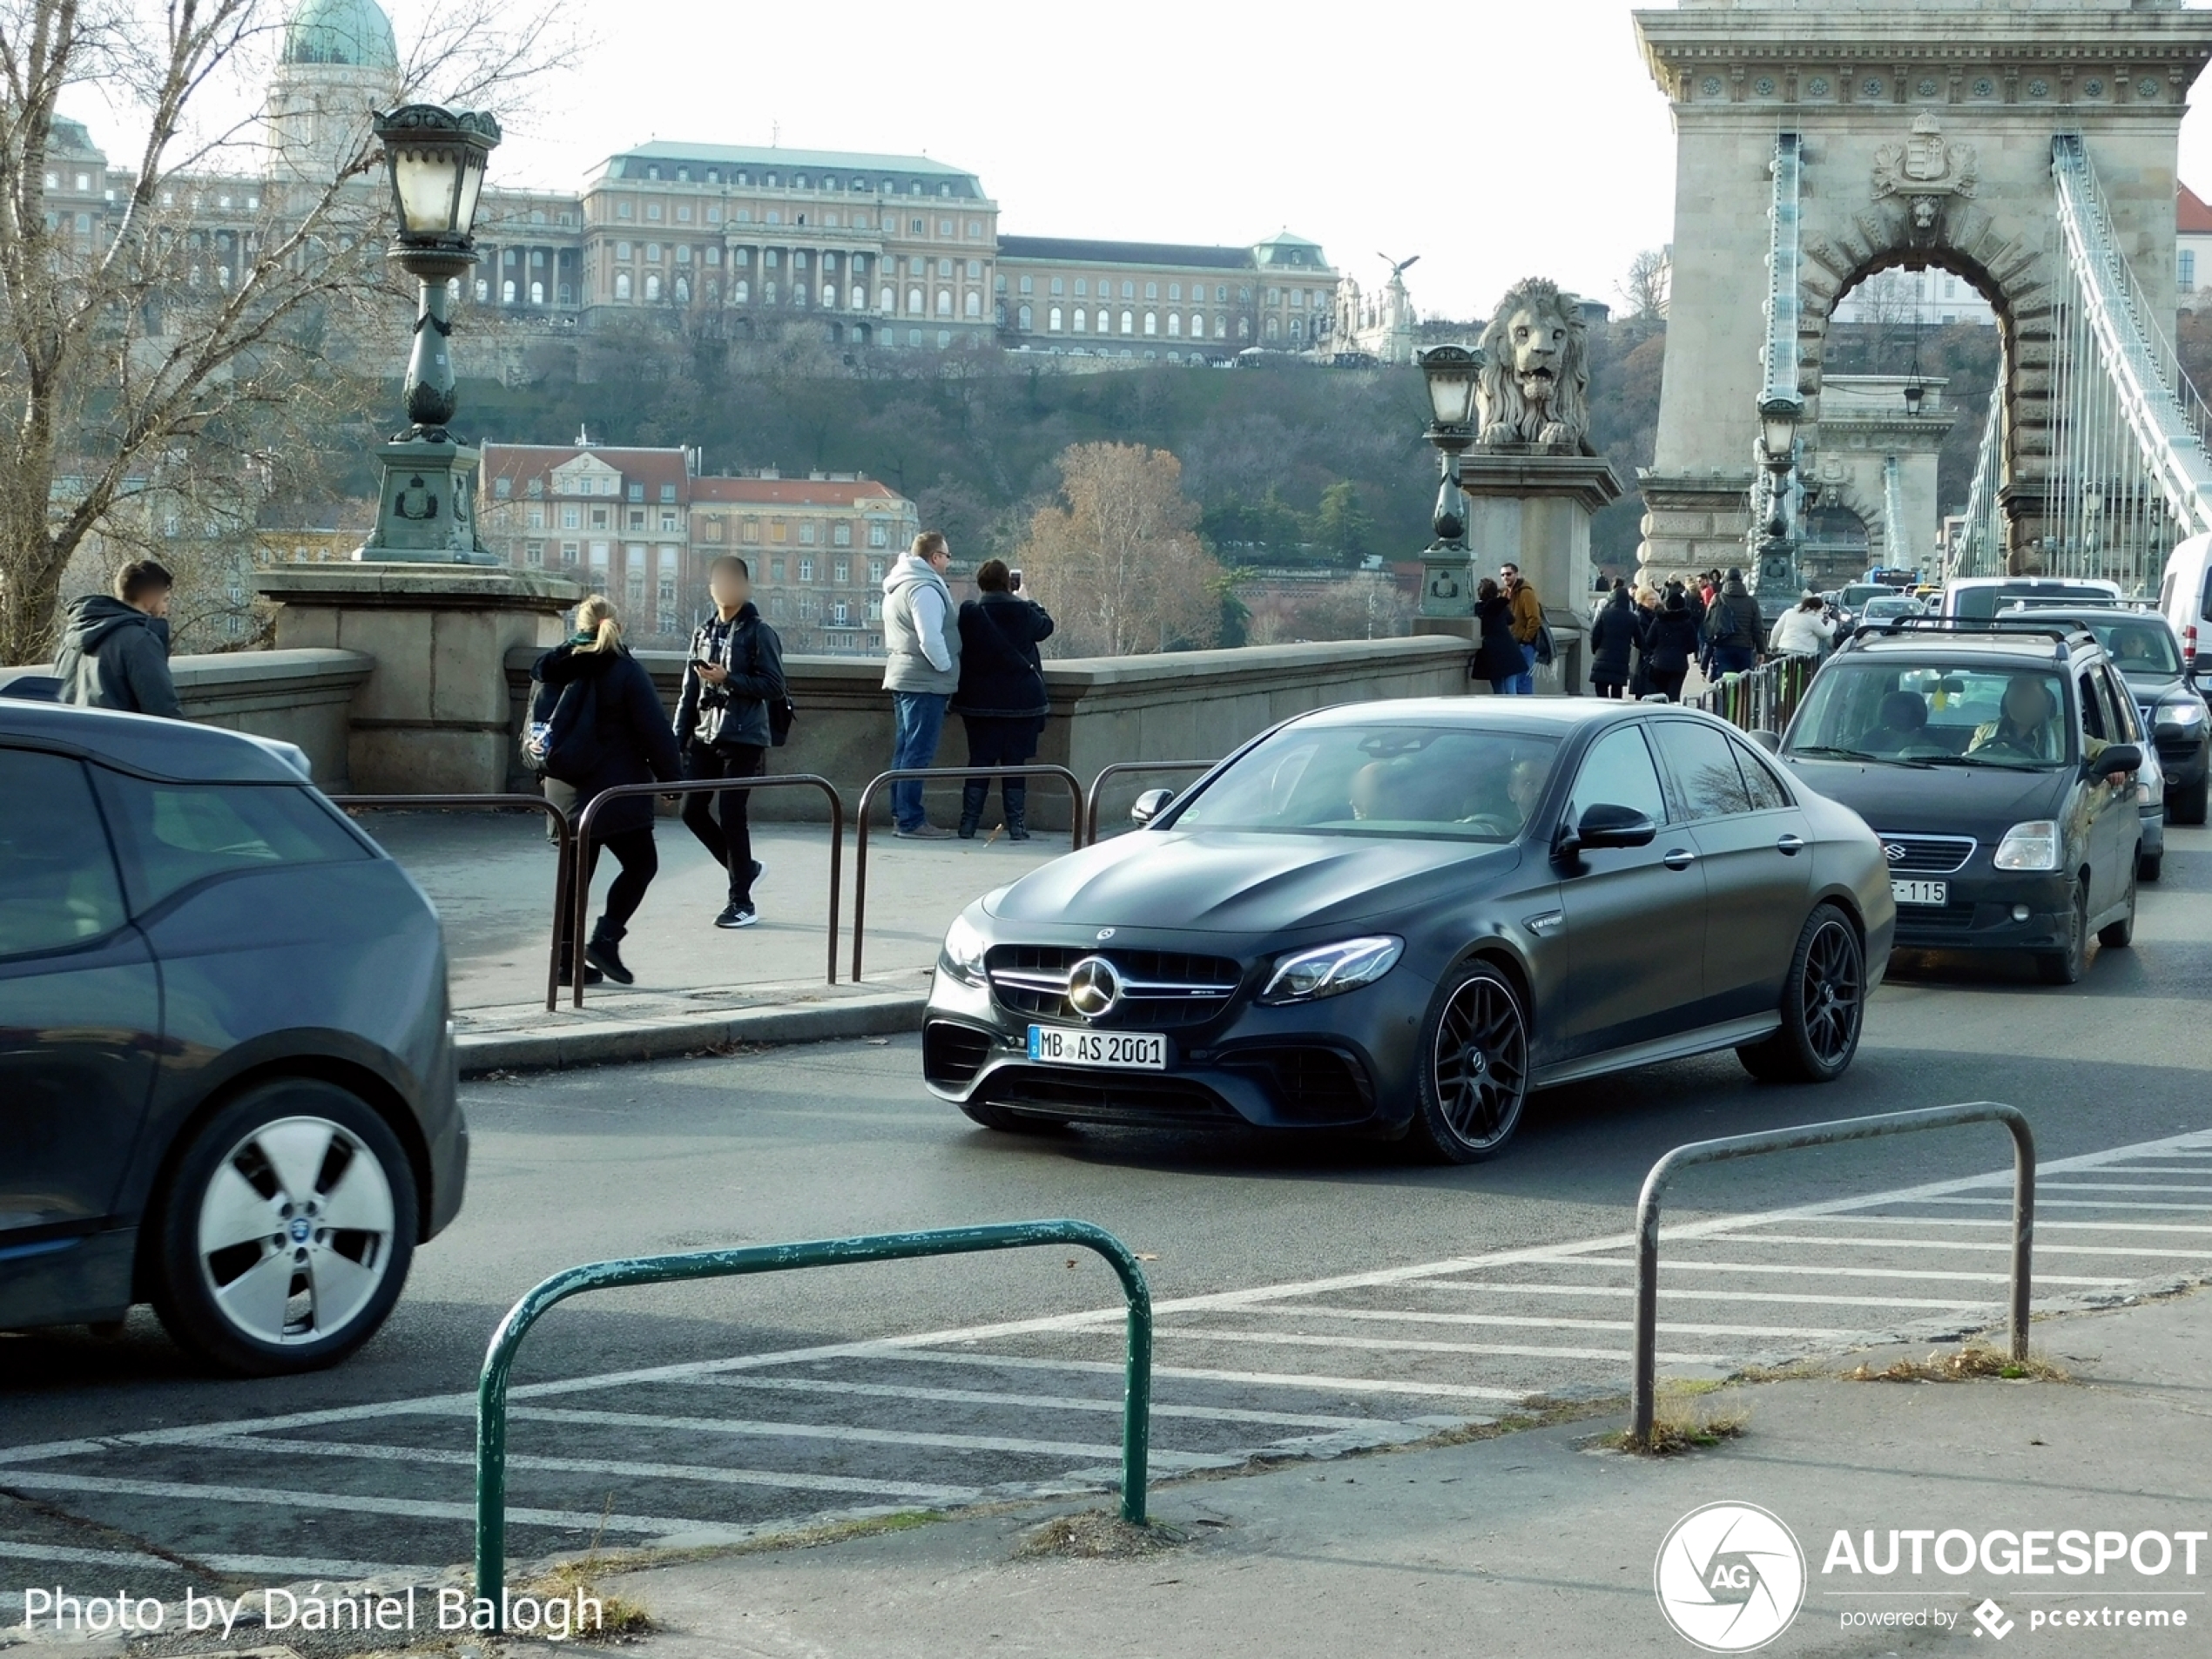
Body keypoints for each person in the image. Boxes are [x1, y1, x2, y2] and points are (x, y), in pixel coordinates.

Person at [536, 595, 683, 987]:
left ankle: (565, 963)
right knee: (641, 864)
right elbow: (655, 732)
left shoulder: (555, 668)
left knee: (574, 877)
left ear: (578, 626)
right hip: (613, 791)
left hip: (563, 787)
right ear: (617, 627)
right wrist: (672, 780)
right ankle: (605, 939)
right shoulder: (625, 671)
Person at [674, 555, 785, 928]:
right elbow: (688, 692)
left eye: (731, 582)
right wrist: (676, 740)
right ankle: (746, 869)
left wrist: (729, 679)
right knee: (691, 810)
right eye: (717, 582)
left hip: (745, 734)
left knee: (733, 814)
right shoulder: (703, 632)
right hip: (707, 733)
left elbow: (774, 685)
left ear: (744, 587)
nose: (724, 589)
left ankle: (742, 901)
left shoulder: (759, 631)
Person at [950, 559, 1054, 840]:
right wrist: (1029, 600)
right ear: (1009, 583)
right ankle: (1017, 826)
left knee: (979, 761)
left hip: (979, 703)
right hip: (1021, 702)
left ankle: (968, 824)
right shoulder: (1022, 610)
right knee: (1015, 762)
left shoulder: (970, 613)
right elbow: (1045, 628)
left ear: (980, 584)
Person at [881, 530, 963, 839]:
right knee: (917, 752)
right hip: (924, 679)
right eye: (947, 555)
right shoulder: (924, 588)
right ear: (935, 557)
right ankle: (911, 820)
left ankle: (900, 814)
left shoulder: (899, 584)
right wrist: (945, 667)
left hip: (904, 674)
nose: (948, 561)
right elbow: (930, 638)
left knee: (905, 750)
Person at [54, 560, 183, 718]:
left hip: (73, 736)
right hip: (118, 737)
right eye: (165, 600)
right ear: (149, 596)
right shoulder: (140, 640)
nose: (165, 610)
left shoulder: (74, 634)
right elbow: (162, 708)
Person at [1642, 586, 1702, 702]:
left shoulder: (1659, 620)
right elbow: (1693, 646)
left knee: (1659, 695)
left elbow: (1649, 641)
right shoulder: (1687, 623)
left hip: (1660, 663)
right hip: (1679, 664)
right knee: (1674, 696)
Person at [1704, 569, 1764, 678]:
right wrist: (1761, 650)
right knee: (1743, 683)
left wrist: (1704, 663)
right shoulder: (1751, 602)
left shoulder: (1718, 599)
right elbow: (1757, 629)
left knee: (1724, 682)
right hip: (1744, 647)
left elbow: (1710, 629)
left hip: (1723, 647)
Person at [1473, 577, 1527, 694]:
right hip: (1508, 649)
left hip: (1491, 651)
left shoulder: (1478, 609)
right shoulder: (1501, 606)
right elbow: (1511, 620)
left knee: (1498, 690)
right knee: (1511, 688)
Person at [1588, 582, 1637, 698]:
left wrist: (1595, 650)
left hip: (1602, 658)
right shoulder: (1632, 618)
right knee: (1617, 693)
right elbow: (1639, 640)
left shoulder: (1604, 614)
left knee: (1601, 692)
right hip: (1621, 660)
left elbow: (1594, 634)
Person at [1501, 562, 1542, 694]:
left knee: (1523, 684)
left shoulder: (1526, 593)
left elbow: (1534, 618)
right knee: (1515, 684)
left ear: (1516, 575)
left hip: (1524, 646)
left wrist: (1525, 639)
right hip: (1511, 644)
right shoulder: (1504, 594)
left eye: (1509, 574)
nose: (1505, 577)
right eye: (1502, 575)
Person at [1769, 591, 1836, 660]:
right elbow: (1825, 633)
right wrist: (1832, 622)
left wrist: (1772, 646)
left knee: (1785, 669)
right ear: (1816, 608)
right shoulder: (1813, 619)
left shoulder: (1788, 613)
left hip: (1785, 648)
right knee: (1802, 670)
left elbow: (1776, 631)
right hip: (1804, 652)